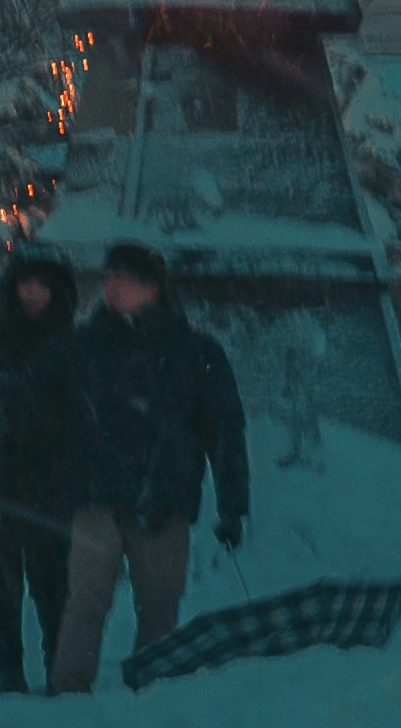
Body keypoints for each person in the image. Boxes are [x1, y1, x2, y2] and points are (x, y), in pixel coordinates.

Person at [31, 242, 248, 694]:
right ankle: (67, 695)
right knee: (85, 604)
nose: (110, 286)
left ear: (151, 288)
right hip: (97, 496)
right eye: (107, 276)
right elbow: (36, 403)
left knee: (159, 606)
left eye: (122, 278)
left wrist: (233, 504)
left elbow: (225, 431)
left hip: (163, 500)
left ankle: (155, 693)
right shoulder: (81, 347)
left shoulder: (194, 353)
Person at [0, 249, 77, 692]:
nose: (34, 294)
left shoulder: (70, 345)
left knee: (53, 591)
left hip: (51, 489)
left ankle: (58, 668)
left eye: (43, 284)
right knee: (3, 592)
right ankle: (9, 671)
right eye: (25, 284)